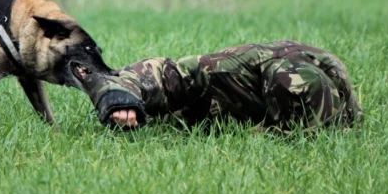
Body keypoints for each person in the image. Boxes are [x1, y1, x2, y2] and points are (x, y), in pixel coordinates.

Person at [75, 40, 364, 132]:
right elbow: (163, 73)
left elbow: (308, 145)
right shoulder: (224, 70)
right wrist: (118, 95)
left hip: (321, 102)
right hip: (219, 101)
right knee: (171, 118)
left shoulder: (327, 96)